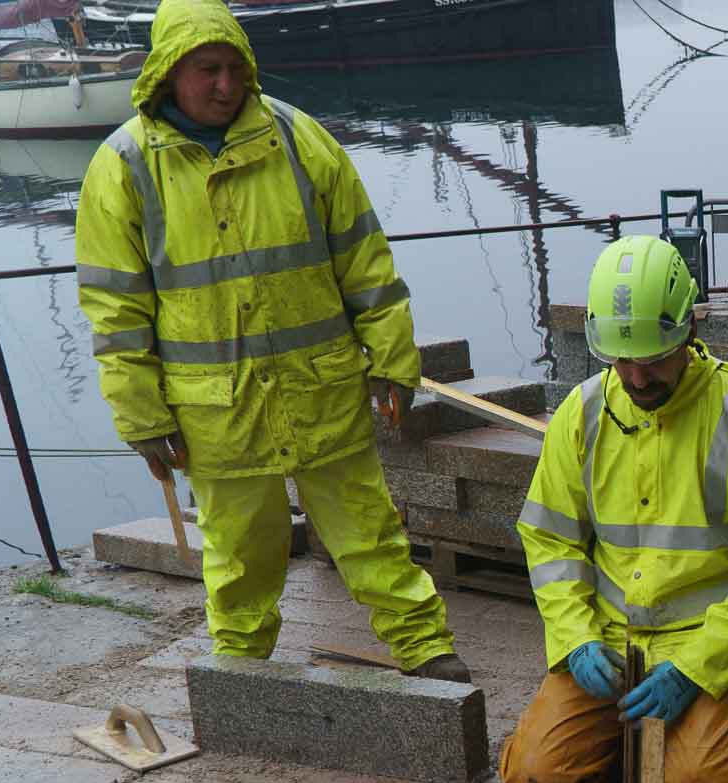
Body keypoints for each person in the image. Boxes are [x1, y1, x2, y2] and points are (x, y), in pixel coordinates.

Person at [75, 0, 468, 682]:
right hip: (215, 413)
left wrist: (393, 362)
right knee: (237, 558)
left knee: (371, 536)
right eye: (208, 71)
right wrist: (143, 417)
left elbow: (366, 263)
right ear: (169, 73)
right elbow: (117, 312)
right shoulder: (124, 168)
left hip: (323, 391)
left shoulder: (298, 139)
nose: (225, 86)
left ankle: (427, 650)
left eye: (235, 68)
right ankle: (240, 672)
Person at [497, 236, 728, 783]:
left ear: (689, 330)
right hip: (608, 641)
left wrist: (694, 670)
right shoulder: (582, 415)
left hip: (710, 644)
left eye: (653, 359)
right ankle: (633, 737)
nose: (636, 380)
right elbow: (548, 539)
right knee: (534, 774)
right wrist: (575, 637)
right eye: (621, 360)